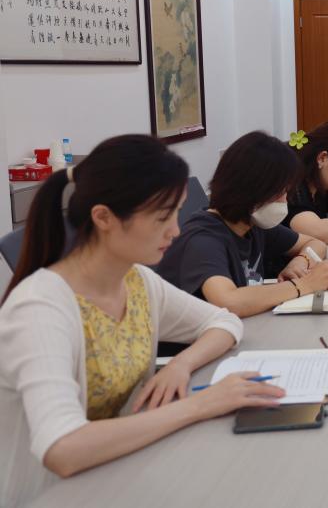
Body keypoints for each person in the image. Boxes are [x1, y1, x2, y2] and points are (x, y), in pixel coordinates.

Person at [0, 135, 284, 504]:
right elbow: (63, 448)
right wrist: (200, 405)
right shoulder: (40, 308)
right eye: (162, 217)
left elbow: (224, 322)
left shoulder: (136, 281)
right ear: (104, 217)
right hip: (50, 494)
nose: (175, 231)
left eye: (176, 214)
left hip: (121, 470)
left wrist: (181, 365)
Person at [156, 132, 328, 318]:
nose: (285, 201)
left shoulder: (253, 225)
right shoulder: (203, 239)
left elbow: (315, 244)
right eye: (280, 193)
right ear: (252, 189)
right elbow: (228, 302)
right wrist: (304, 284)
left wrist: (300, 262)